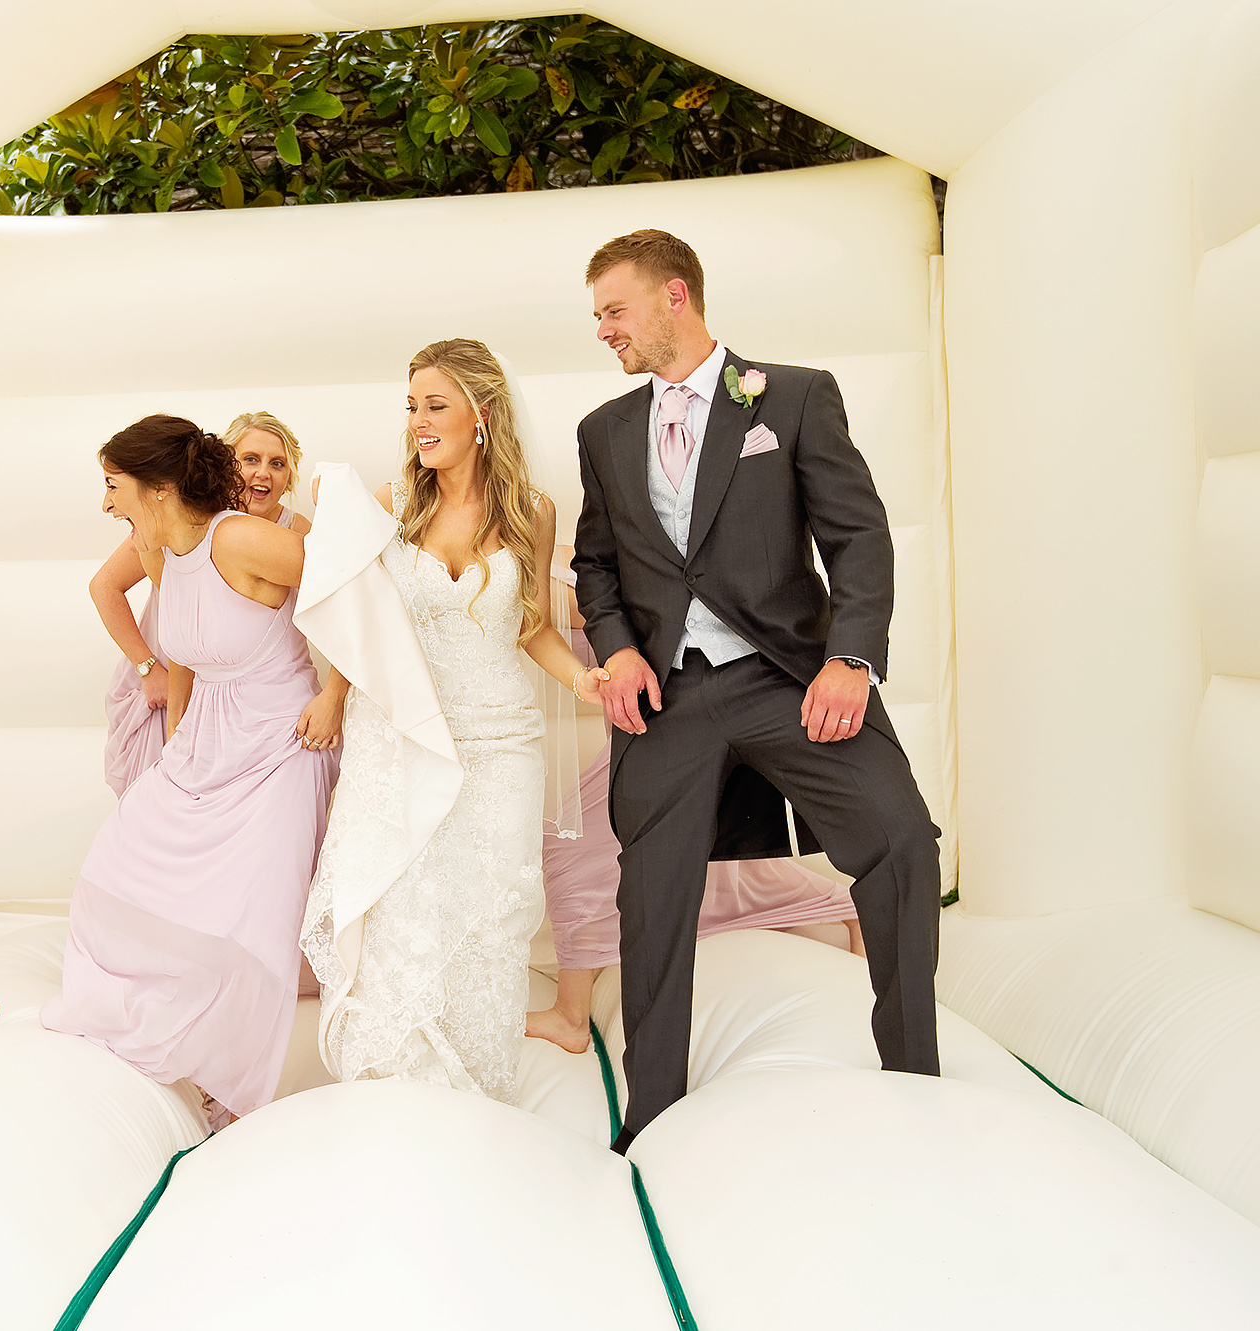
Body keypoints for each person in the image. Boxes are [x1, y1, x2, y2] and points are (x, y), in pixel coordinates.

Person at [575, 230, 941, 1148]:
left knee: (900, 841)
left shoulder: (795, 396)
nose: (604, 331)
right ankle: (651, 1115)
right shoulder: (604, 432)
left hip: (789, 676)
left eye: (614, 310)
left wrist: (850, 660)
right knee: (651, 895)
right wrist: (616, 649)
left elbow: (858, 538)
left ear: (675, 296)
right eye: (597, 317)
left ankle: (917, 1073)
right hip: (669, 696)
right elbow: (596, 565)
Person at [298, 339, 605, 1105]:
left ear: (482, 414)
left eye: (435, 405)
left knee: (488, 921)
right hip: (404, 741)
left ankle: (476, 1096)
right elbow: (354, 616)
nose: (418, 422)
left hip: (502, 746)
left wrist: (585, 677)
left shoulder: (533, 511)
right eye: (411, 407)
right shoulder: (389, 507)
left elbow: (533, 627)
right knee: (405, 916)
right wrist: (333, 693)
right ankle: (392, 1090)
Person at [44, 417, 341, 1127]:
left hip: (280, 742)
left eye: (114, 487)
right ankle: (153, 1026)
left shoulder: (237, 537)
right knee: (114, 865)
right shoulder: (160, 549)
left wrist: (336, 693)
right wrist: (176, 731)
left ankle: (235, 1089)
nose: (107, 503)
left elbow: (349, 586)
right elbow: (183, 647)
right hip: (207, 738)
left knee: (254, 915)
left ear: (159, 487)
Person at [525, 545, 863, 1054]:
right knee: (727, 868)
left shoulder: (576, 576)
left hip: (672, 729)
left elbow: (582, 611)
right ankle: (849, 909)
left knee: (574, 848)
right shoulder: (569, 573)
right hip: (641, 734)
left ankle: (571, 1015)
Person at [91, 411, 318, 796]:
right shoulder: (168, 528)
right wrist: (149, 670)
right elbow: (109, 588)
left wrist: (334, 695)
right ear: (228, 464)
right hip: (175, 680)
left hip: (264, 714)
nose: (263, 472)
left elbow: (351, 598)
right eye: (250, 460)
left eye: (276, 463)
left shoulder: (287, 536)